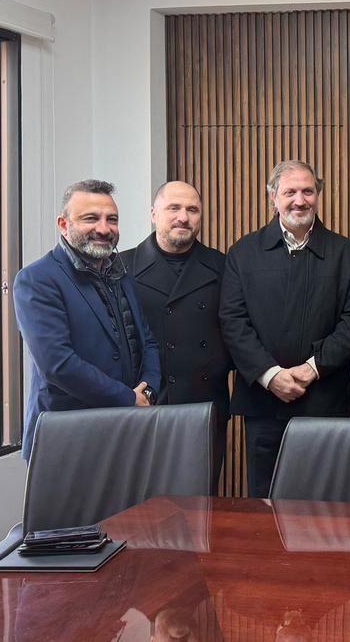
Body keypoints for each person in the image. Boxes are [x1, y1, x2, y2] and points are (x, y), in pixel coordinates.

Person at [219, 160, 350, 498]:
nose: (300, 200)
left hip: (323, 401)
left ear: (319, 195)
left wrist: (311, 369)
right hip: (263, 403)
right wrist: (271, 375)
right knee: (265, 503)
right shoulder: (244, 253)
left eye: (308, 191)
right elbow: (233, 321)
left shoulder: (347, 254)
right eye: (290, 192)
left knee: (324, 505)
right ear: (272, 197)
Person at [14, 179, 161, 459]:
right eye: (91, 218)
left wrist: (149, 390)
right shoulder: (37, 279)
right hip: (66, 439)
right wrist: (129, 398)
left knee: (132, 506)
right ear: (63, 224)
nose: (104, 229)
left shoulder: (121, 275)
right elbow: (58, 364)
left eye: (112, 219)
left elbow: (147, 341)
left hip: (125, 432)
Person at [120, 180, 232, 487]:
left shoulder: (222, 266)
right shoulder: (121, 267)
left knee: (199, 507)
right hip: (142, 407)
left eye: (192, 210)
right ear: (154, 214)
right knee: (142, 507)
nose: (183, 217)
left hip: (204, 407)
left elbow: (237, 329)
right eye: (174, 208)